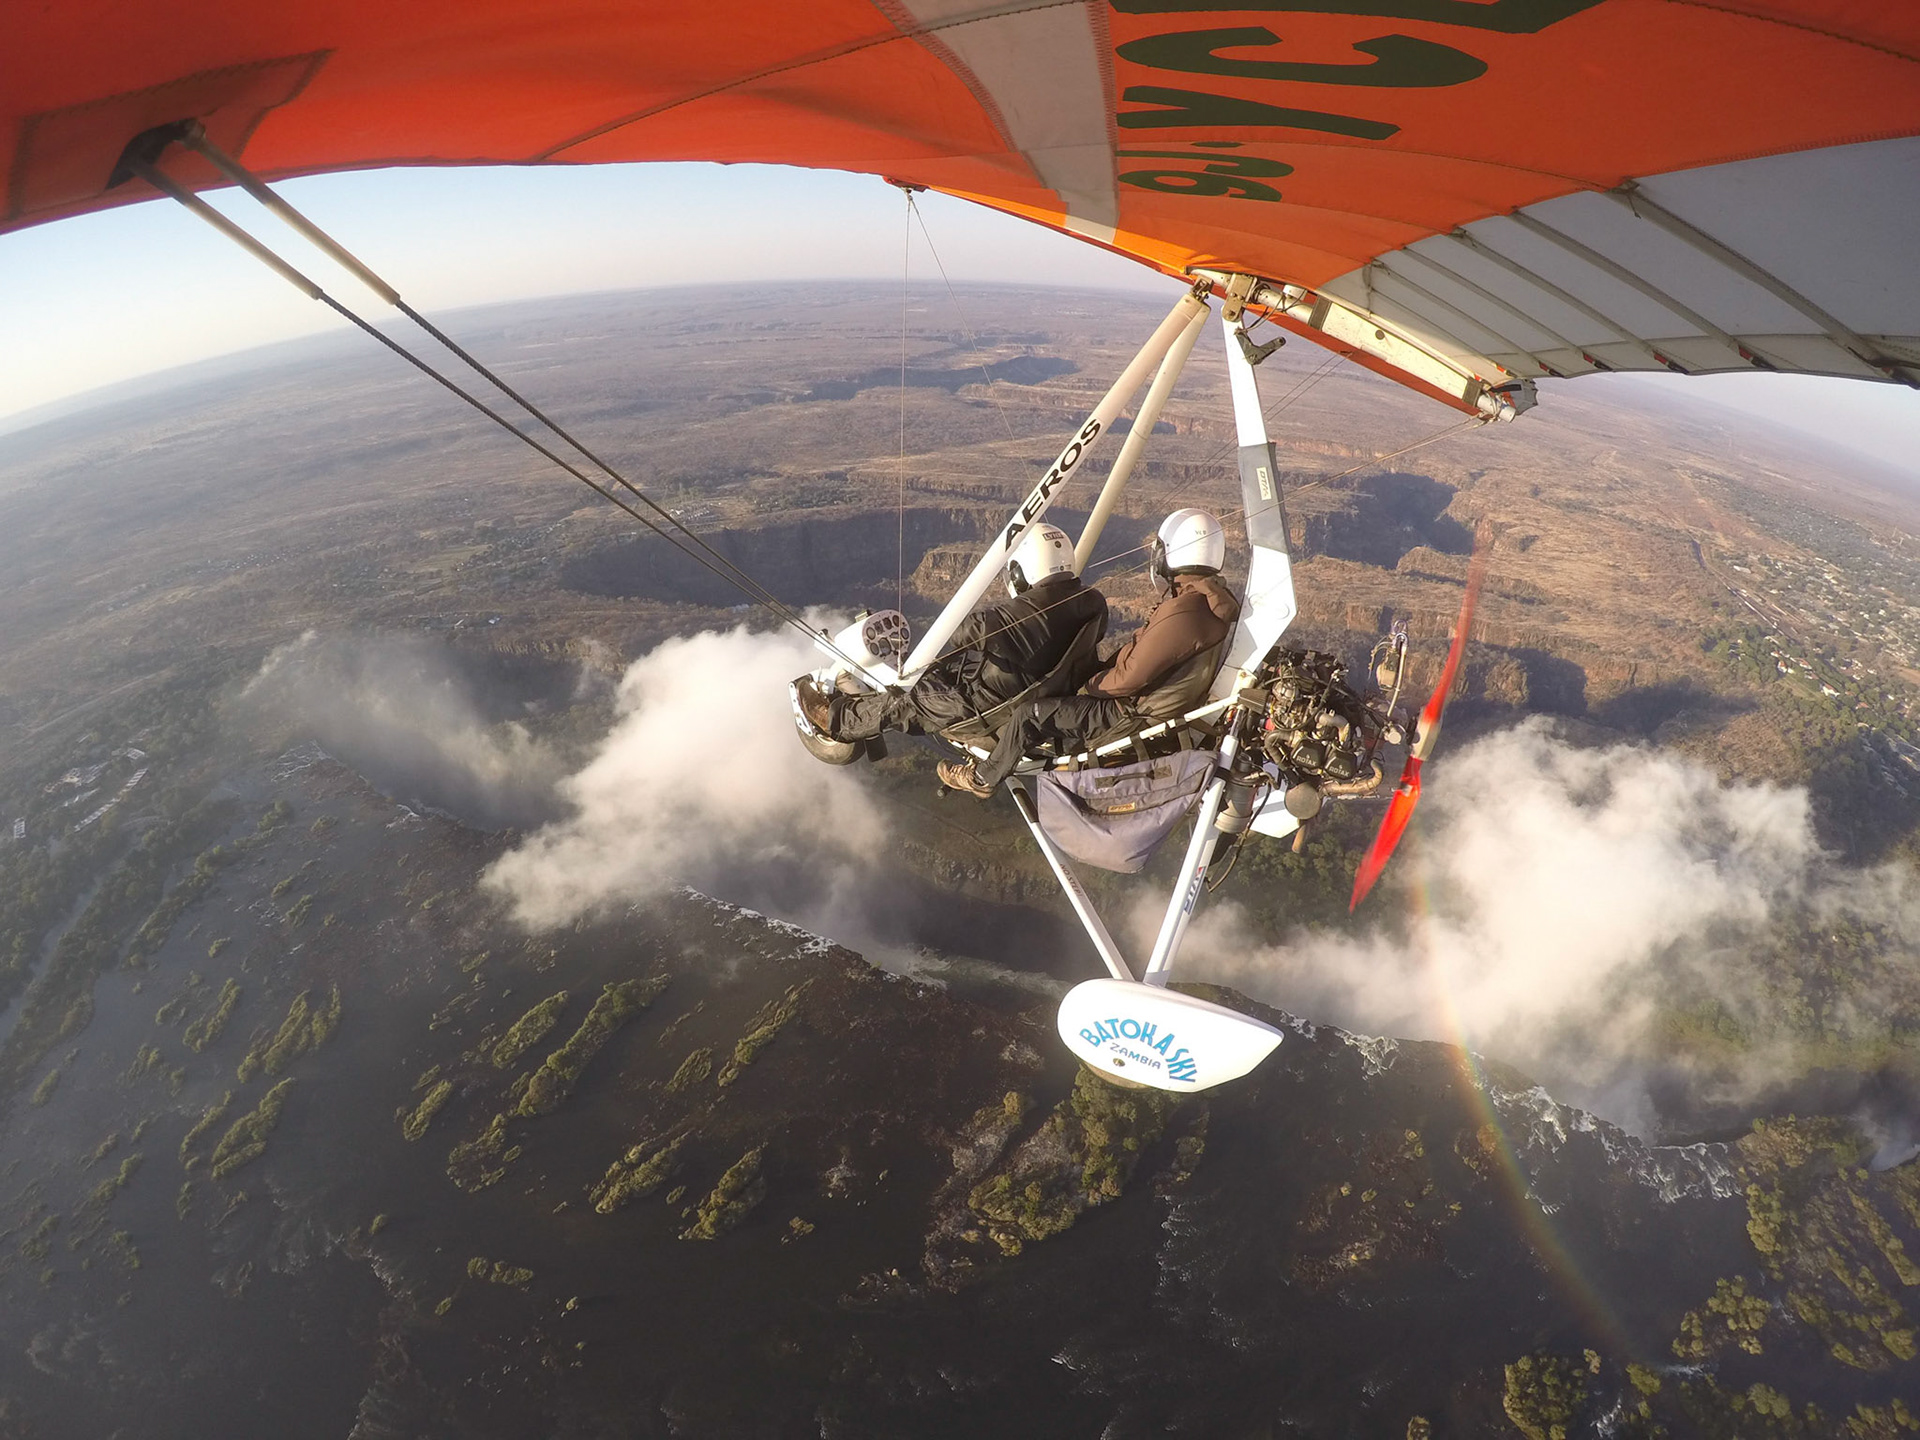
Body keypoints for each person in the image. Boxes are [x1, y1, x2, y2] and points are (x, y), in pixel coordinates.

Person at [938, 507, 1239, 796]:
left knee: (1029, 715)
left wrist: (1087, 686)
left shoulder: (1185, 612)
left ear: (1167, 554)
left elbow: (1129, 679)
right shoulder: (1205, 601)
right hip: (1143, 706)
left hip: (1127, 713)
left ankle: (981, 779)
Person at [797, 522, 1107, 743]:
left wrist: (920, 646)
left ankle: (838, 722)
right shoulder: (1093, 602)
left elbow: (956, 633)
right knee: (952, 666)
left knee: (912, 700)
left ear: (1019, 572)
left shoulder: (1012, 616)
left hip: (990, 705)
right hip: (1038, 684)